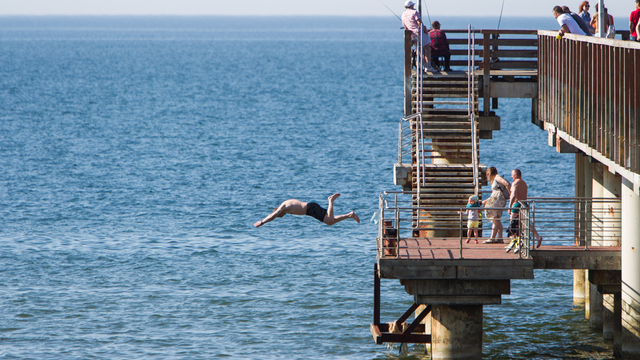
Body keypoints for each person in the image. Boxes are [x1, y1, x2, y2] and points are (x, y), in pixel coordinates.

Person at [254, 193, 360, 228]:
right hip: (310, 210)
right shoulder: (285, 206)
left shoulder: (283, 207)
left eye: (279, 215)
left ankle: (331, 201)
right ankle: (349, 215)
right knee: (330, 222)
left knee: (329, 220)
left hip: (310, 209)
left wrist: (262, 222)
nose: (281, 217)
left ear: (278, 212)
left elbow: (272, 216)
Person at [508, 169, 543, 248]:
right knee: (526, 223)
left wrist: (509, 206)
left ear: (515, 175)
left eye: (512, 175)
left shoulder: (515, 183)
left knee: (512, 223)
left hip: (517, 204)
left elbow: (513, 195)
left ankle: (513, 241)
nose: (511, 177)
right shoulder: (524, 183)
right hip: (524, 204)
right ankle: (537, 237)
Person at [401, 0, 436, 72]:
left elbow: (406, 27)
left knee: (420, 52)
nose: (413, 6)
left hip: (412, 36)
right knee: (427, 49)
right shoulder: (414, 12)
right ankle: (428, 67)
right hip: (419, 33)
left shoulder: (403, 15)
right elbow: (419, 22)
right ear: (411, 6)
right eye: (412, 5)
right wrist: (425, 30)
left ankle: (422, 67)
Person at [482, 167, 511, 244]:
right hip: (497, 198)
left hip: (498, 199)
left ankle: (492, 238)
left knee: (495, 218)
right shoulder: (495, 178)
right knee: (497, 218)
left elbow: (507, 184)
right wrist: (487, 200)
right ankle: (500, 238)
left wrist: (511, 195)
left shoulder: (497, 177)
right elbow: (495, 192)